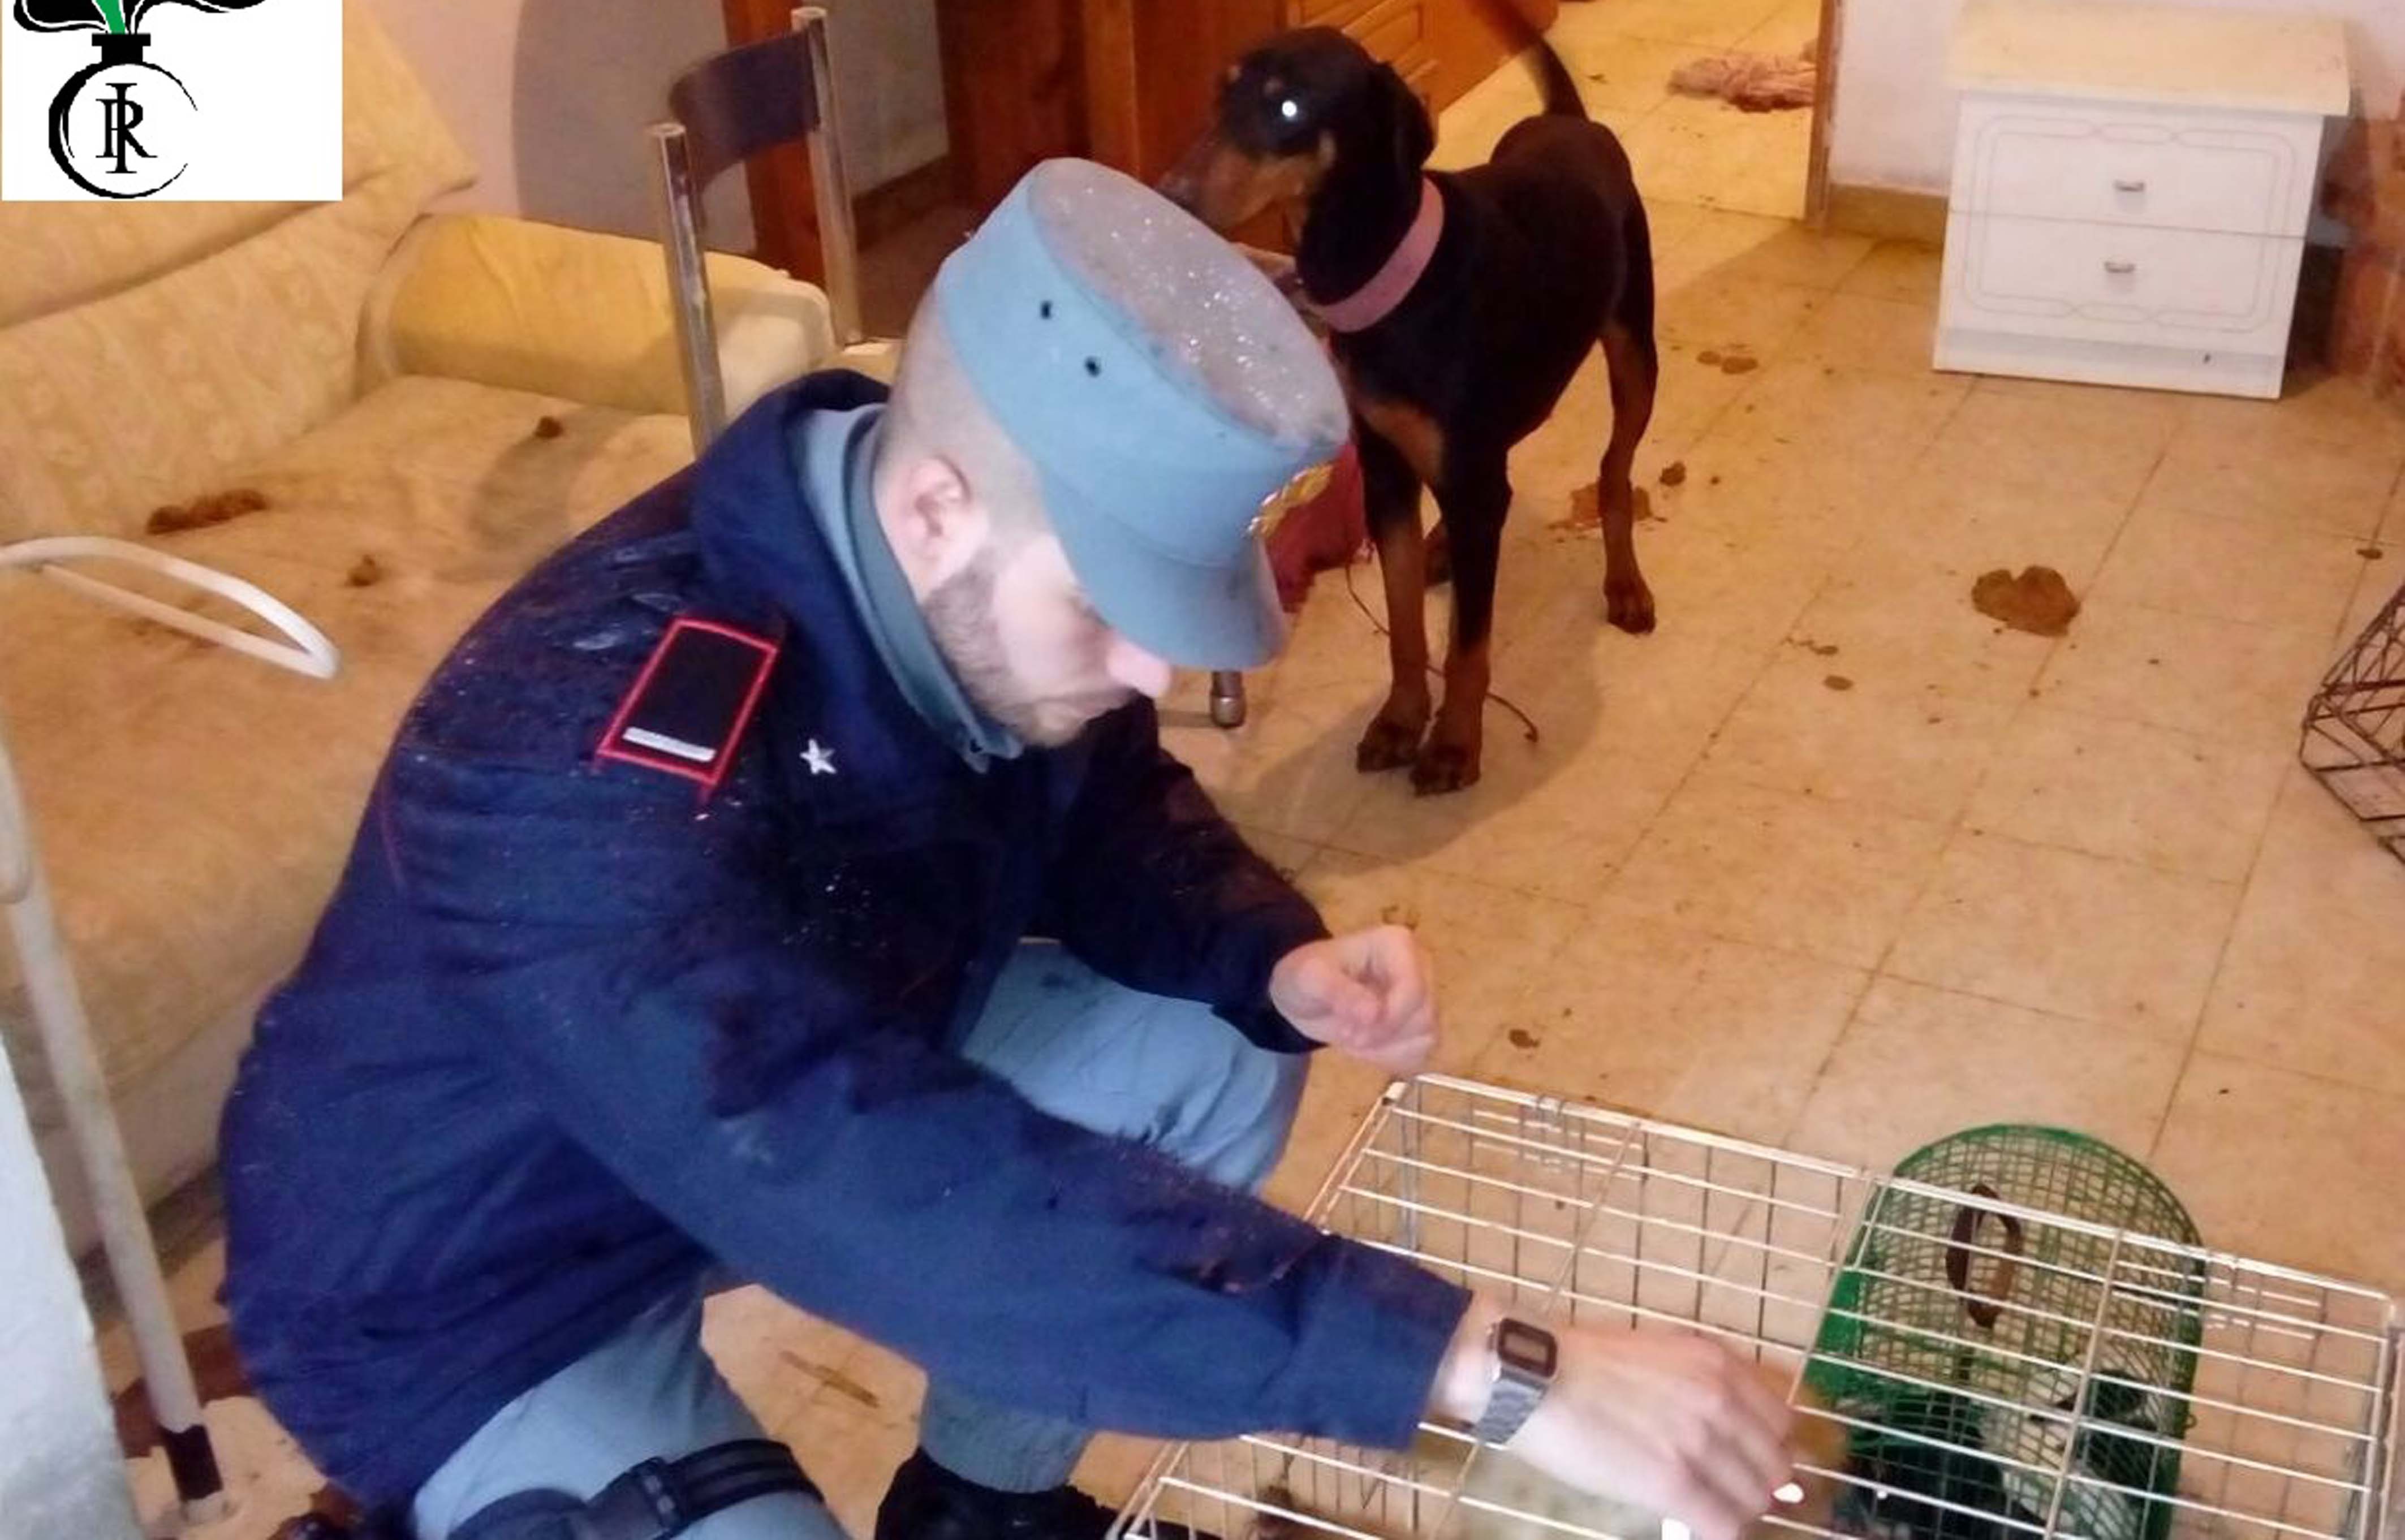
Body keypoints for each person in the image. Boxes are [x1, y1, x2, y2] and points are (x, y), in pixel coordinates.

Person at [220, 158, 1794, 1540]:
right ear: (932, 510)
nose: (1149, 673)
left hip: (769, 1093)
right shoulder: (575, 764)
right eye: (1107, 610)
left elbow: (1100, 806)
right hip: (469, 1280)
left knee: (1213, 1036)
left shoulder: (963, 573)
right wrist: (1480, 1364)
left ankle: (981, 1504)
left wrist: (1269, 953)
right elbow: (864, 1181)